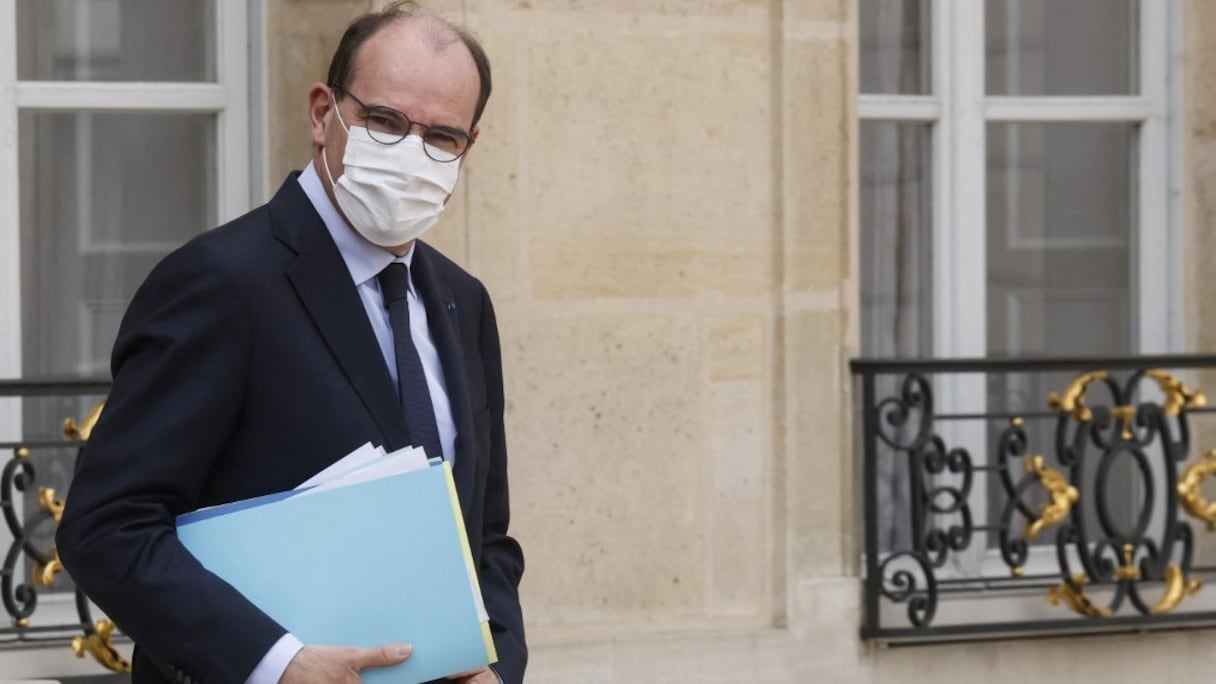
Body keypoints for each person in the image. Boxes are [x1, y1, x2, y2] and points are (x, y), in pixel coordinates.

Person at [54, 3, 525, 683]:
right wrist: (276, 664)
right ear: (321, 113)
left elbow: (487, 539)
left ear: (468, 148)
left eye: (441, 137)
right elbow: (107, 526)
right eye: (385, 122)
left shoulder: (463, 302)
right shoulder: (220, 283)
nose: (410, 153)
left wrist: (497, 667)